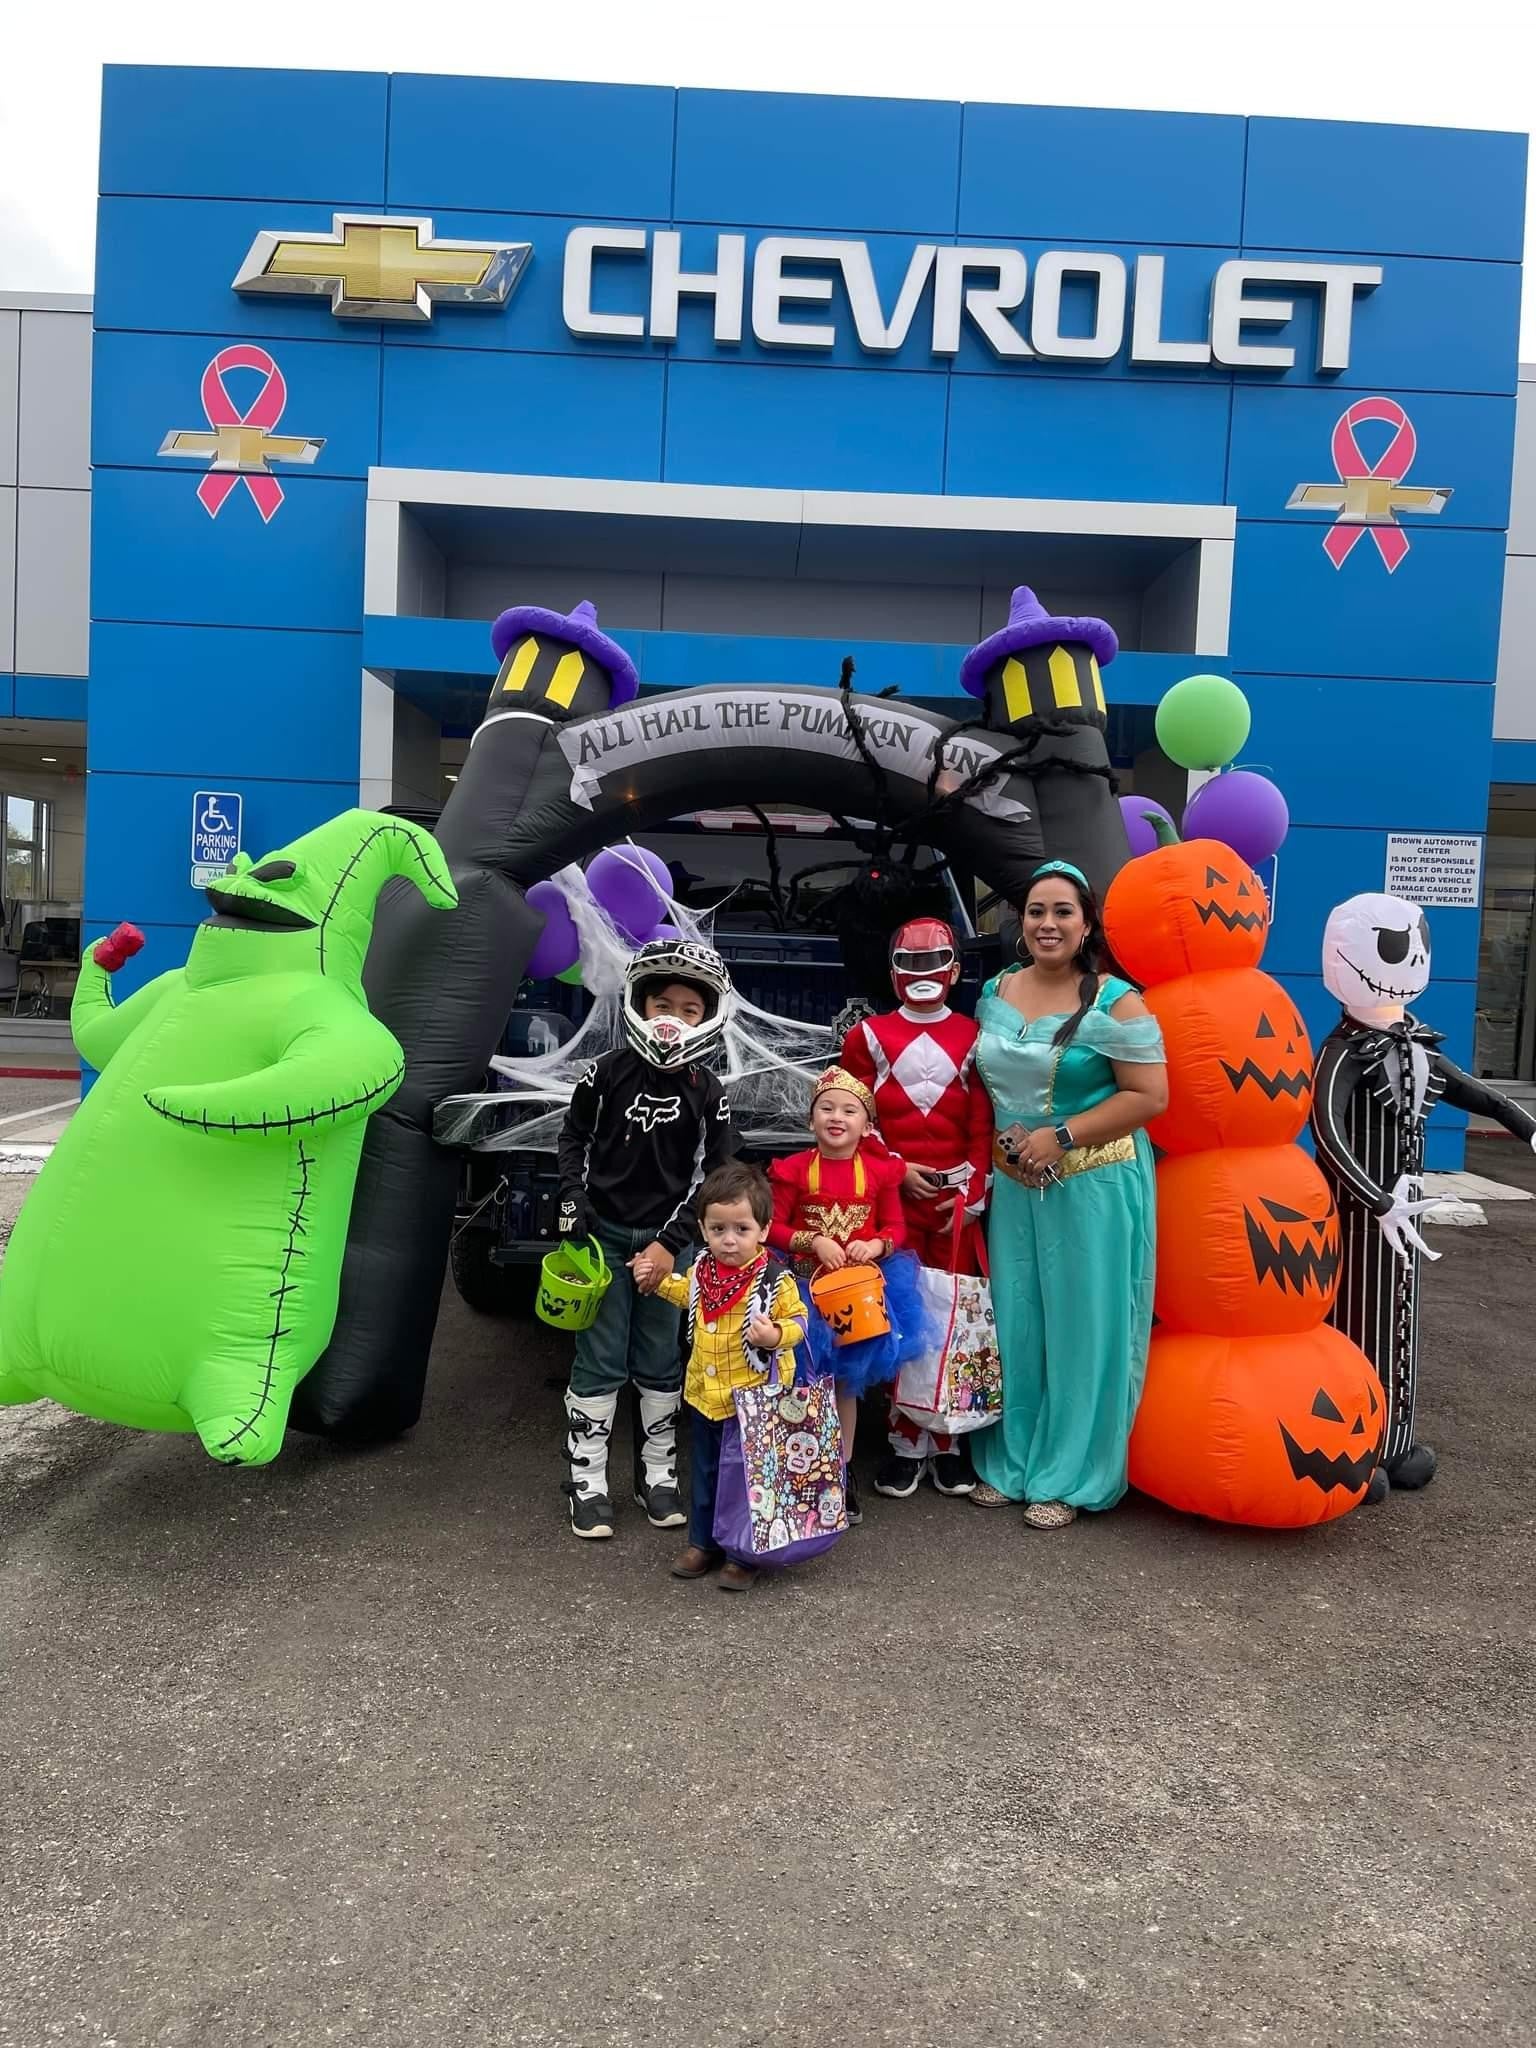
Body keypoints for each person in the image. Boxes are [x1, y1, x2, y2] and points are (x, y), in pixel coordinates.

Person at [971, 860, 1167, 1529]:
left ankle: (1071, 1475)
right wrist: (1003, 1148)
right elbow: (990, 1091)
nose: (1046, 924)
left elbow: (1151, 1097)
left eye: (1062, 912)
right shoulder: (996, 990)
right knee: (1018, 1321)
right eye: (1035, 911)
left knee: (1085, 1329)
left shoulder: (1117, 1001)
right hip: (1017, 1186)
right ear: (1019, 924)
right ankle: (1014, 1460)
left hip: (1095, 1185)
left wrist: (1062, 1134)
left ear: (1086, 926)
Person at [555, 937, 736, 1541]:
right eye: (663, 1003)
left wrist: (669, 1243)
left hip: (671, 1243)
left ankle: (657, 1476)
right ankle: (588, 1479)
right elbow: (572, 1138)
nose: (674, 1019)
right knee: (601, 1358)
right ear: (638, 1001)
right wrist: (573, 1201)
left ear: (709, 1016)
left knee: (661, 1362)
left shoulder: (710, 1090)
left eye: (690, 1009)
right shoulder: (603, 1072)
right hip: (603, 1237)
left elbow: (718, 1175)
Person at [840, 916, 992, 1501]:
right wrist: (896, 1173)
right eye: (912, 964)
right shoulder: (868, 1036)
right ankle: (906, 1440)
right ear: (893, 971)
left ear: (954, 970)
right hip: (896, 1202)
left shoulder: (975, 1036)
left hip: (957, 1204)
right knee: (903, 1319)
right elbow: (855, 1117)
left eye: (934, 964)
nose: (923, 975)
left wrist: (974, 1195)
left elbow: (982, 1122)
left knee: (955, 1319)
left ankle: (949, 1441)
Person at [767, 1067, 912, 1526]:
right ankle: (798, 1472)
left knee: (846, 1386)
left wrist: (875, 1245)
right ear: (811, 1120)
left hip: (858, 1298)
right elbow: (770, 1226)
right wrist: (812, 1242)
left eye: (849, 1111)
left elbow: (896, 1227)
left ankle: (839, 1472)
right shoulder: (792, 1170)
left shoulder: (878, 1173)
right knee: (802, 1383)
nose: (836, 1117)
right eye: (826, 1108)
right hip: (803, 1295)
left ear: (867, 1126)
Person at [659, 1162, 809, 1591]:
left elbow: (800, 1323)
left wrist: (775, 1334)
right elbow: (685, 1294)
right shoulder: (703, 1271)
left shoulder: (773, 1280)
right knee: (706, 1471)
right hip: (707, 1394)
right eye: (718, 1229)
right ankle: (703, 1541)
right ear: (703, 1230)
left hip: (751, 1401)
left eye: (741, 1229)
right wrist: (656, 1282)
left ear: (763, 1230)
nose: (729, 1240)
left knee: (746, 1480)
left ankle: (743, 1551)